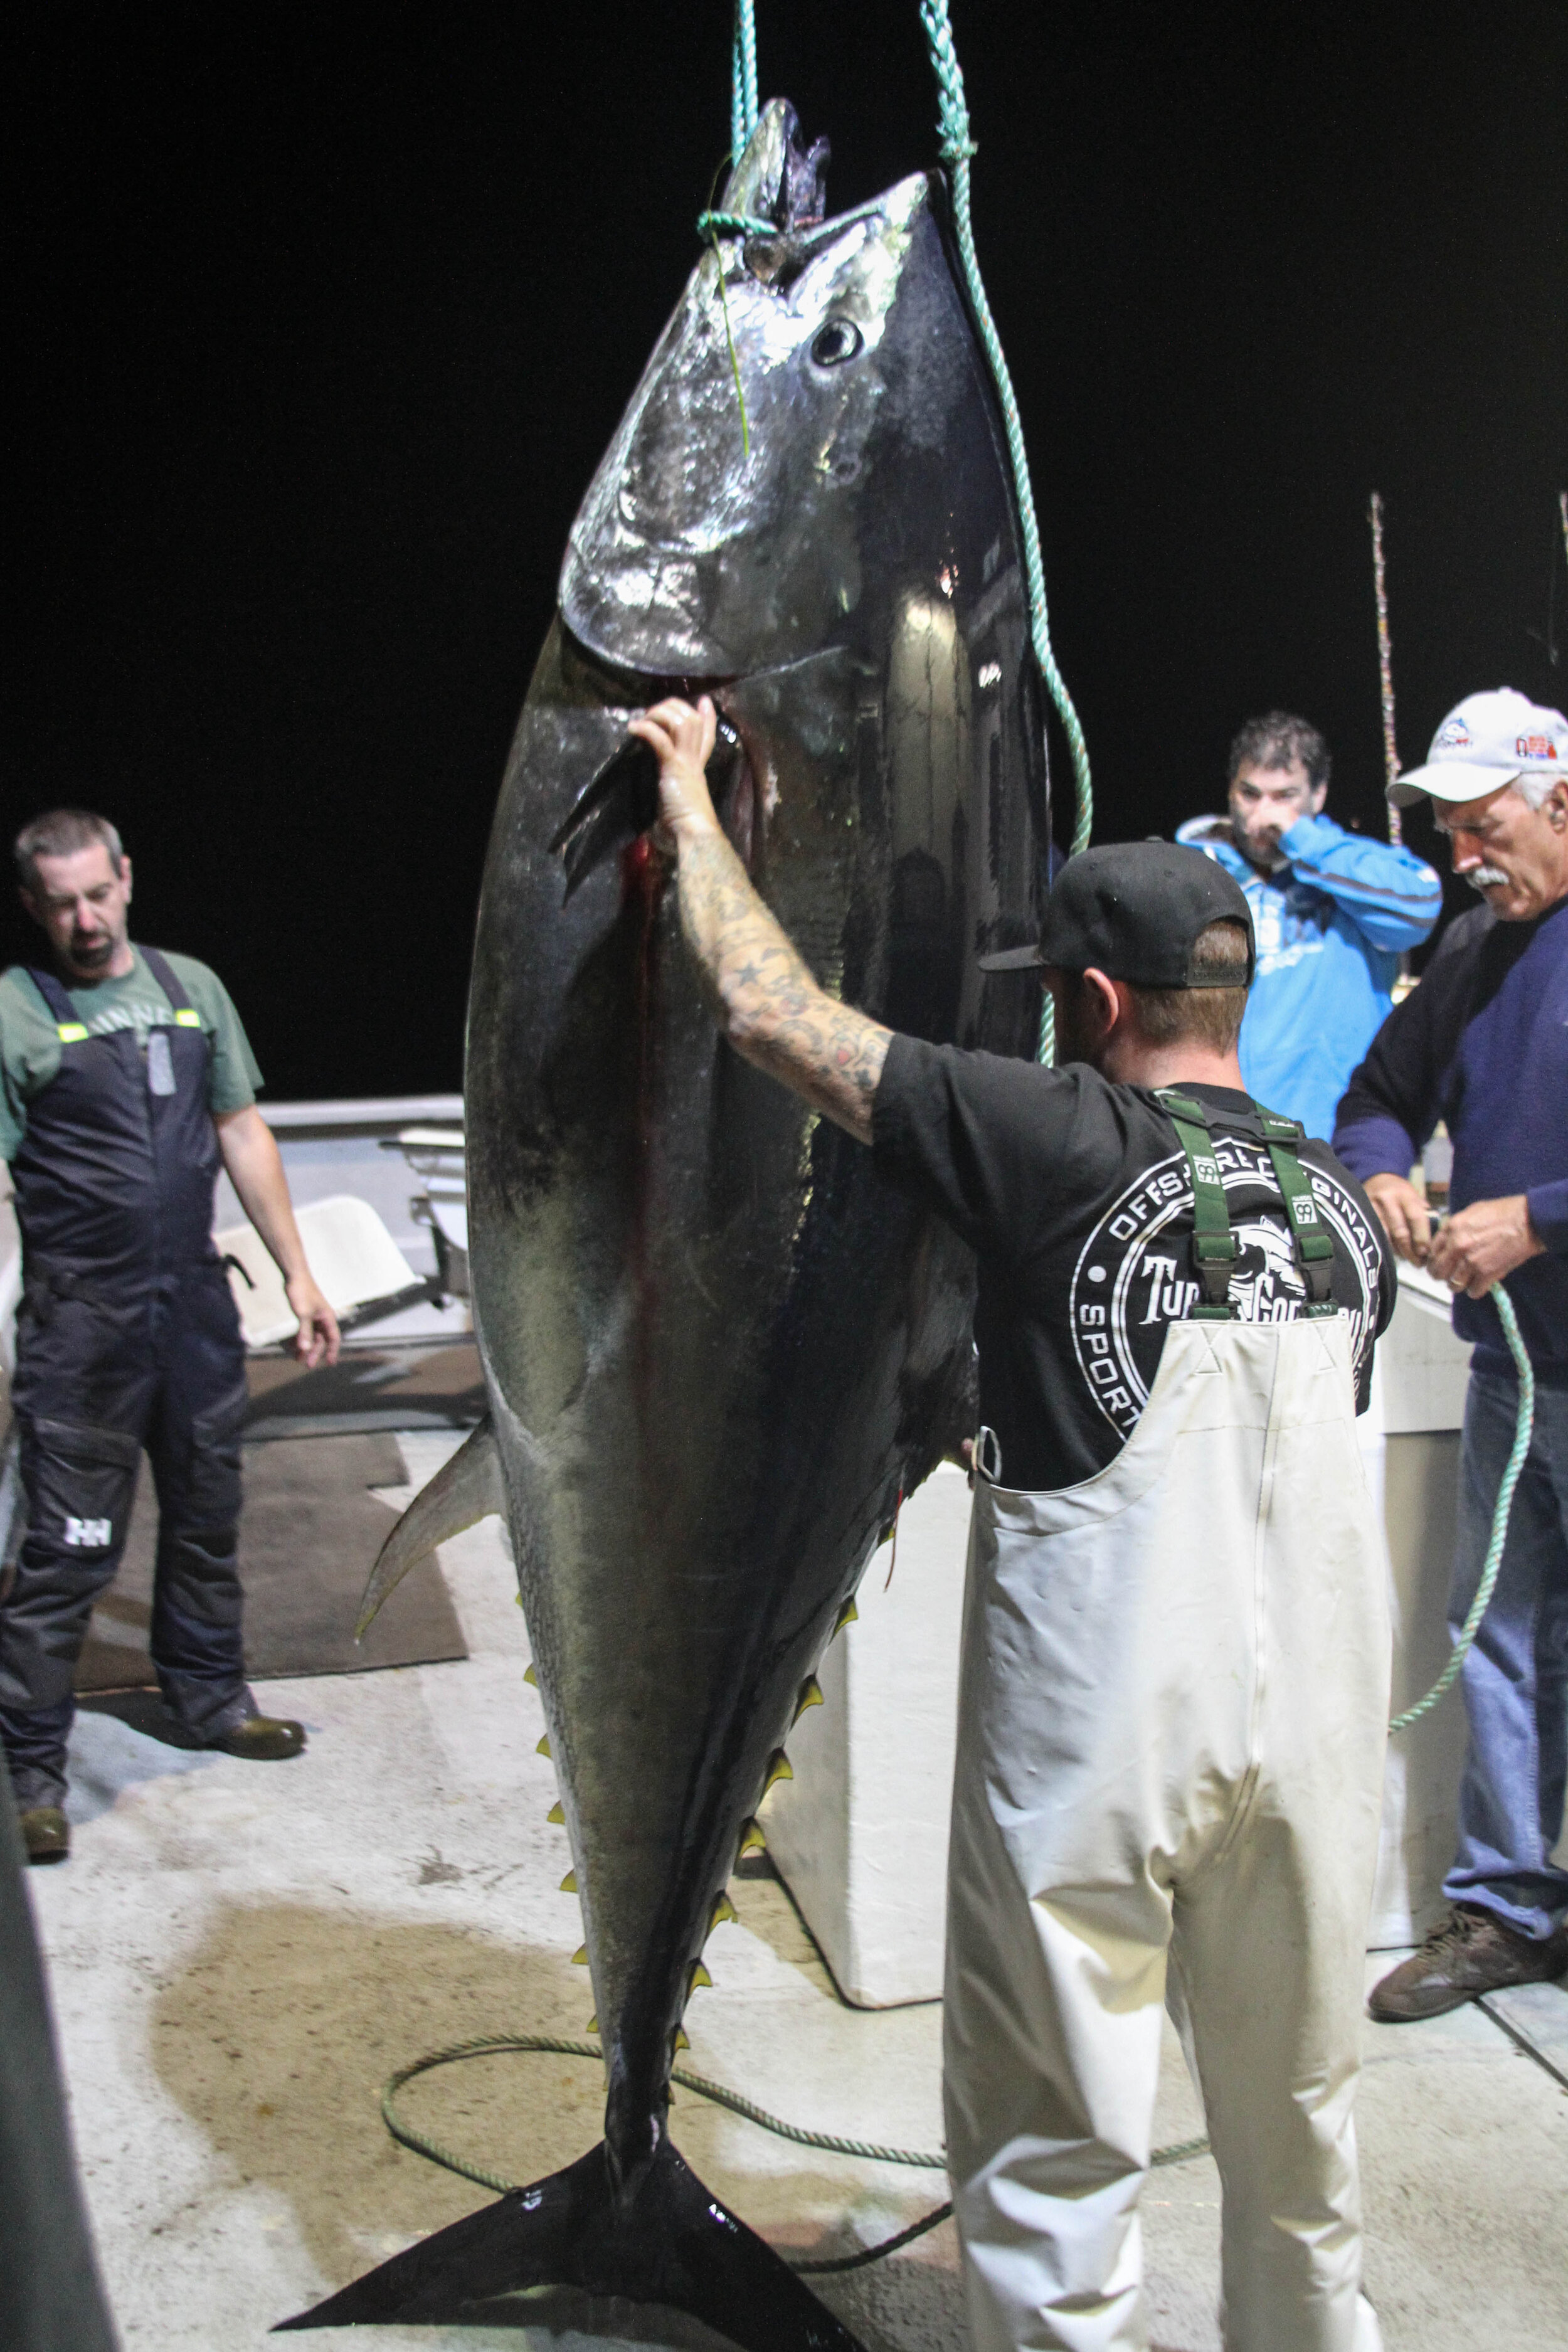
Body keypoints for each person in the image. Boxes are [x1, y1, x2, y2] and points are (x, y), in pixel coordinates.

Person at [630, 695, 1396, 2352]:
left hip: (1096, 1756)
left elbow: (771, 1014)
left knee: (1053, 2160)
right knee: (1305, 2143)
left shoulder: (1044, 1133)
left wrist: (692, 801)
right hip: (1323, 1763)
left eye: (1054, 998)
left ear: (1095, 1000)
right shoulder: (1343, 1201)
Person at [0, 810, 341, 1865]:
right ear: (33, 905)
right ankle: (33, 1777)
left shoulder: (191, 990)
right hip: (81, 1327)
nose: (85, 919)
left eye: (98, 894)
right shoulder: (17, 1010)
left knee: (204, 1519)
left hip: (193, 1310)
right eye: (61, 903)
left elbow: (241, 1128)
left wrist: (296, 1270)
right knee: (66, 1555)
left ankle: (208, 1699)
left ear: (127, 879)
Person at [1332, 687, 1568, 2016]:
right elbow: (1373, 1098)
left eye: (1482, 828)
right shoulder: (1475, 952)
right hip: (1511, 1379)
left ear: (1556, 801)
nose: (1462, 858)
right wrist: (1377, 1179)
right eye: (1449, 835)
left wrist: (1534, 1219)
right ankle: (1504, 1911)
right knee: (1497, 1636)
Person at [1177, 710, 1441, 1138]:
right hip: (1223, 1135)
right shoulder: (1193, 877)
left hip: (1336, 1140)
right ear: (1230, 791)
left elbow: (1419, 910)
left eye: (1285, 797)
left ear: (1318, 796)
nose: (1263, 815)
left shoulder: (1350, 865)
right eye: (1250, 794)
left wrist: (1305, 845)